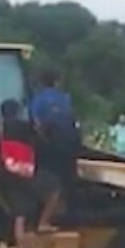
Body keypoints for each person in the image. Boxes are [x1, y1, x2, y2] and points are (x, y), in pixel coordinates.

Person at [28, 70, 80, 233]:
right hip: (68, 148)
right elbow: (73, 121)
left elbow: (36, 124)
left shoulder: (37, 100)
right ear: (57, 81)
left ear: (42, 82)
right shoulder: (65, 98)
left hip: (47, 149)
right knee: (65, 186)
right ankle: (59, 220)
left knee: (49, 183)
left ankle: (43, 219)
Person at [0, 99, 40, 244]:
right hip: (22, 170)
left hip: (3, 171)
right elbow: (39, 137)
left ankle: (12, 240)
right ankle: (21, 244)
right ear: (17, 111)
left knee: (13, 205)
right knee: (22, 210)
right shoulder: (25, 127)